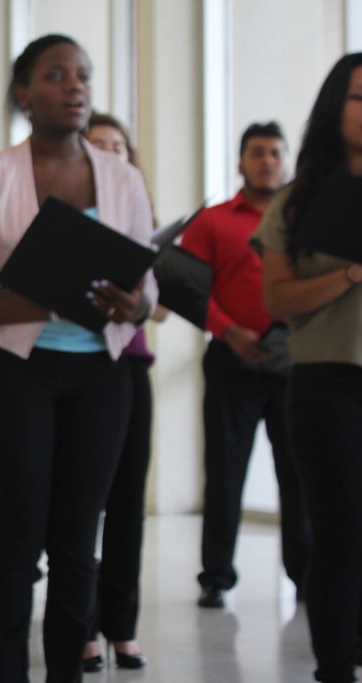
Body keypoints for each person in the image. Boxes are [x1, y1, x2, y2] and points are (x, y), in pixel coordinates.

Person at [0, 34, 156, 683]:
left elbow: (149, 288)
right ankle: (3, 672)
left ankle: (67, 671)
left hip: (102, 376)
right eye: (56, 75)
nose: (76, 86)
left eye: (83, 75)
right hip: (16, 375)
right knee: (17, 540)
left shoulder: (123, 177)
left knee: (76, 544)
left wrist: (134, 304)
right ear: (23, 93)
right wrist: (46, 297)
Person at [256, 51, 362, 683]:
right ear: (334, 108)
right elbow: (277, 300)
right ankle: (335, 665)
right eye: (360, 97)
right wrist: (349, 274)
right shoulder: (298, 201)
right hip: (329, 382)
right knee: (341, 534)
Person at [181, 121, 310, 609]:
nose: (267, 161)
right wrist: (229, 330)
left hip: (292, 361)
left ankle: (304, 576)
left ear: (286, 161)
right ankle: (216, 576)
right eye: (257, 152)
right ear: (240, 162)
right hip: (231, 360)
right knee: (225, 470)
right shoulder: (213, 221)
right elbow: (190, 287)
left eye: (276, 153)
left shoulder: (302, 221)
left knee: (297, 474)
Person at [81, 112, 160, 671]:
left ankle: (123, 626)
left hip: (131, 365)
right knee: (81, 507)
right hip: (80, 366)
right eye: (99, 147)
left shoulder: (138, 216)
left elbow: (157, 298)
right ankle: (82, 626)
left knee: (129, 502)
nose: (112, 155)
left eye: (119, 147)